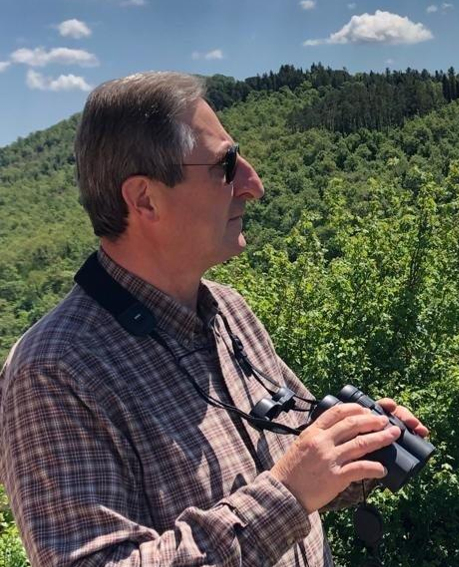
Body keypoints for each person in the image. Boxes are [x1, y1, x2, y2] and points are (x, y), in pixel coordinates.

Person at [0, 71, 429, 566]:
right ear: (144, 199)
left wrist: (352, 453)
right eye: (226, 165)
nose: (253, 185)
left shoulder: (229, 310)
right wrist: (288, 493)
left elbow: (296, 472)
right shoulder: (54, 371)